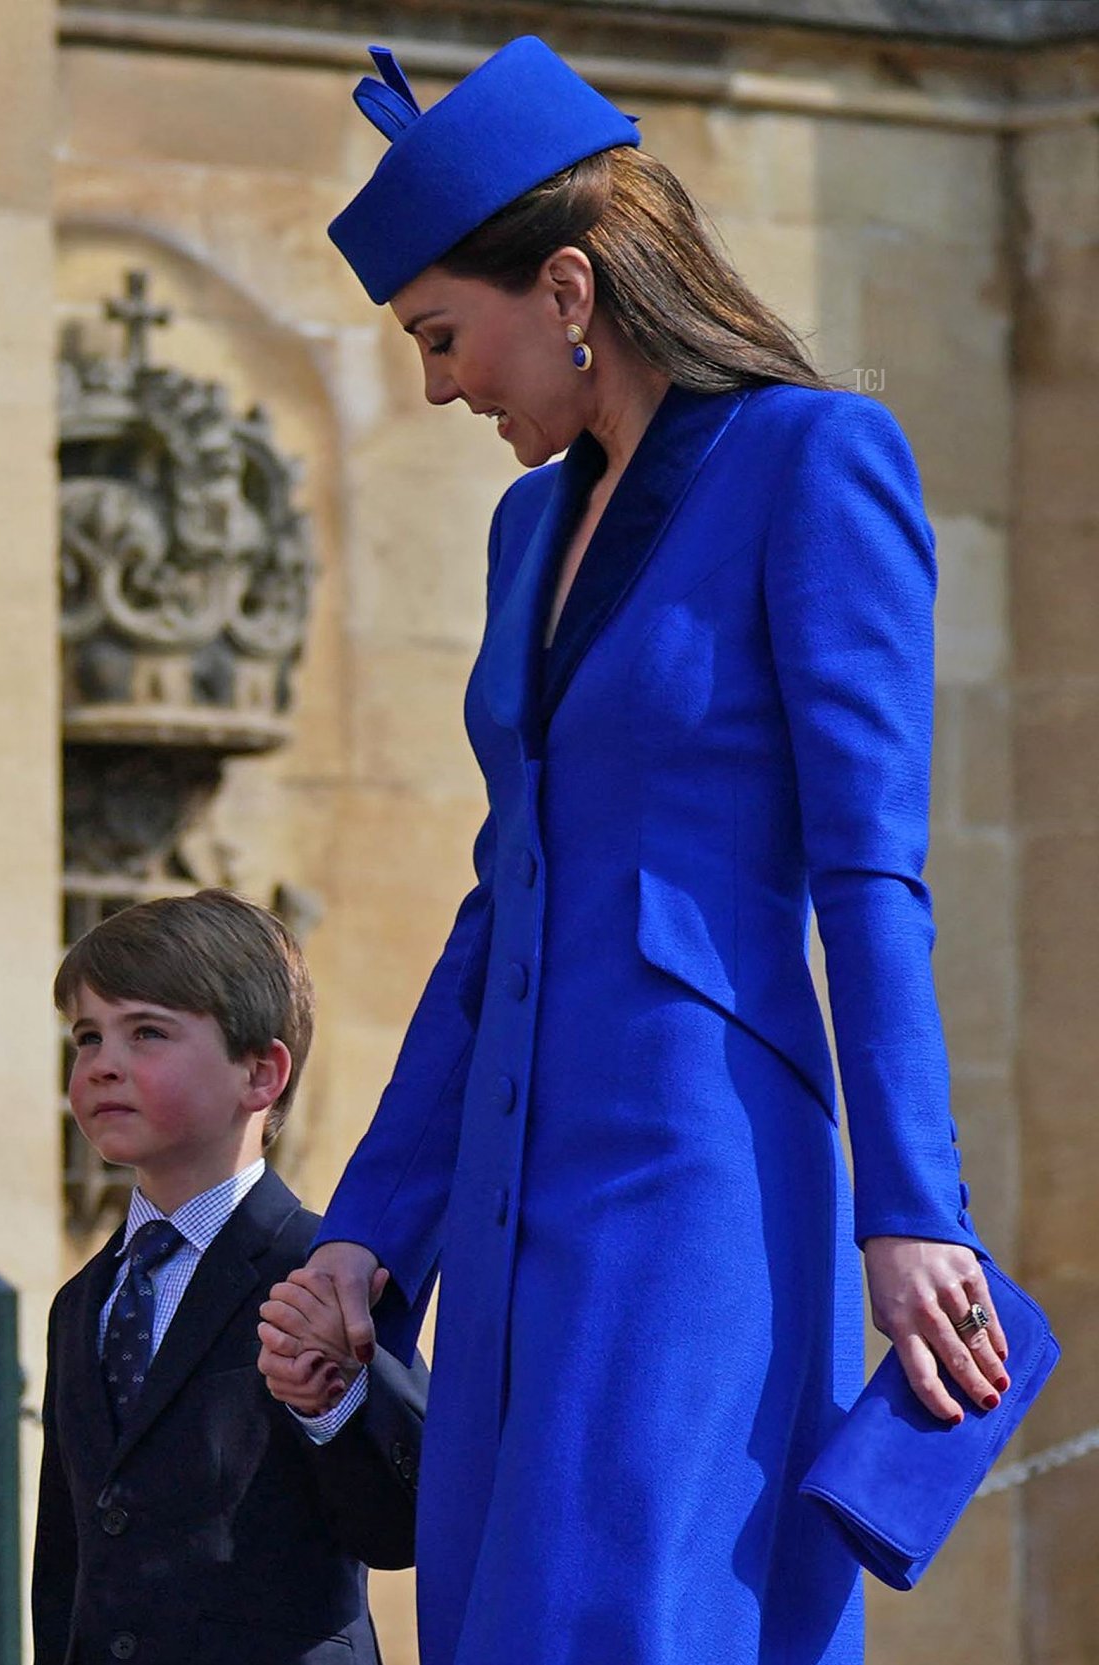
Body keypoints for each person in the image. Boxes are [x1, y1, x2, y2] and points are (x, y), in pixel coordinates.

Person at [256, 37, 1010, 1665]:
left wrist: (915, 1208)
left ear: (574, 287)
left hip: (695, 1179)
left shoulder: (815, 461)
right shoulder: (527, 527)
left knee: (630, 1619)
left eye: (444, 337)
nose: (440, 384)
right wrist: (366, 1239)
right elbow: (497, 906)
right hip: (512, 1204)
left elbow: (875, 876)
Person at [33, 889, 427, 1665]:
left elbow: (406, 1522)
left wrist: (340, 1396)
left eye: (146, 1032)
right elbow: (66, 1564)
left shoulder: (327, 1269)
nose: (103, 1063)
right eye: (87, 1037)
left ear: (260, 1072)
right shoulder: (82, 1300)